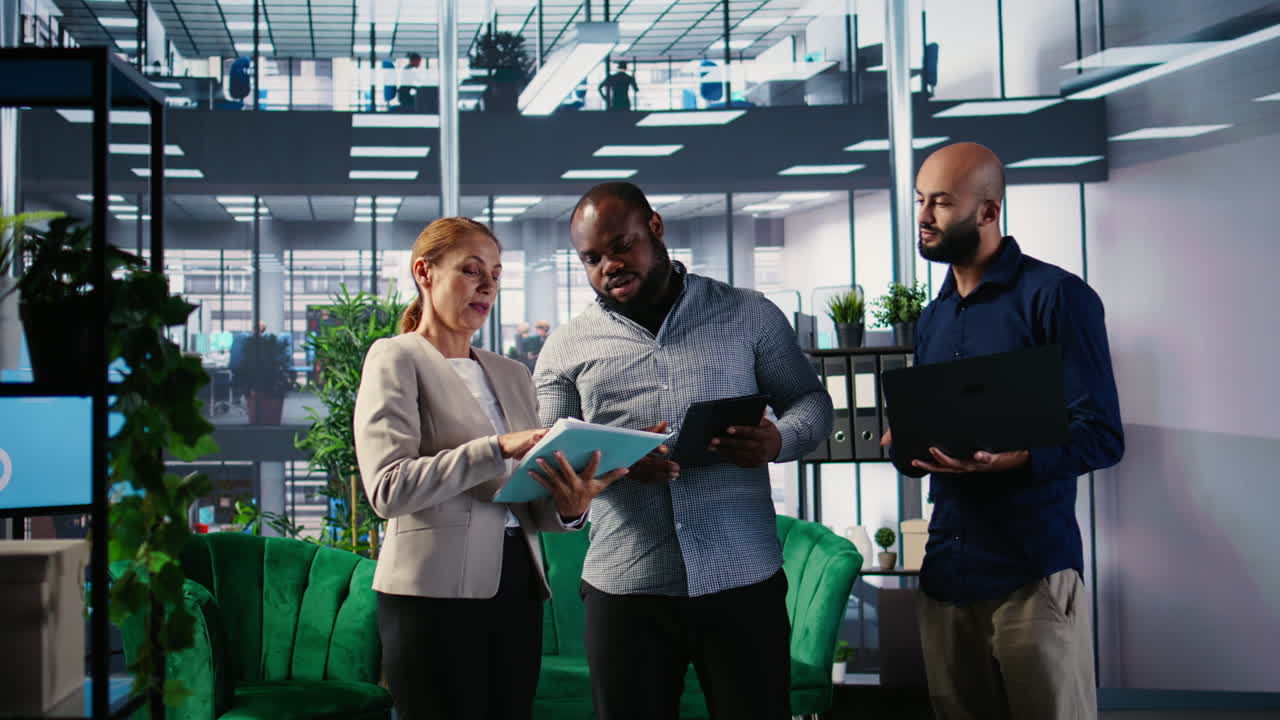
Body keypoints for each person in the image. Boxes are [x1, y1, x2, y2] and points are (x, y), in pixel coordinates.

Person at [534, 182, 833, 720]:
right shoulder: (564, 348)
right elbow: (554, 460)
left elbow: (810, 401)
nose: (609, 266)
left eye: (620, 246)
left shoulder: (748, 314)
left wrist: (778, 439)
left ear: (655, 228)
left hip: (742, 580)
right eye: (592, 258)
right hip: (625, 590)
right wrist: (610, 471)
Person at [884, 142, 1124, 720]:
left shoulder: (1057, 296)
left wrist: (1020, 457)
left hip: (1031, 575)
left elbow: (1101, 434)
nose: (923, 217)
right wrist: (906, 445)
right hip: (947, 571)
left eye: (941, 203)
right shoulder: (935, 316)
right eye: (920, 201)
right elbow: (937, 433)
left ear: (989, 212)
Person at [353, 217, 626, 720]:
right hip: (430, 596)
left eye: (496, 275)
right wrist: (496, 446)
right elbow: (388, 489)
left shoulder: (512, 373)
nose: (487, 286)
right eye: (471, 270)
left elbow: (526, 499)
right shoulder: (395, 358)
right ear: (424, 273)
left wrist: (570, 506)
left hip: (517, 588)